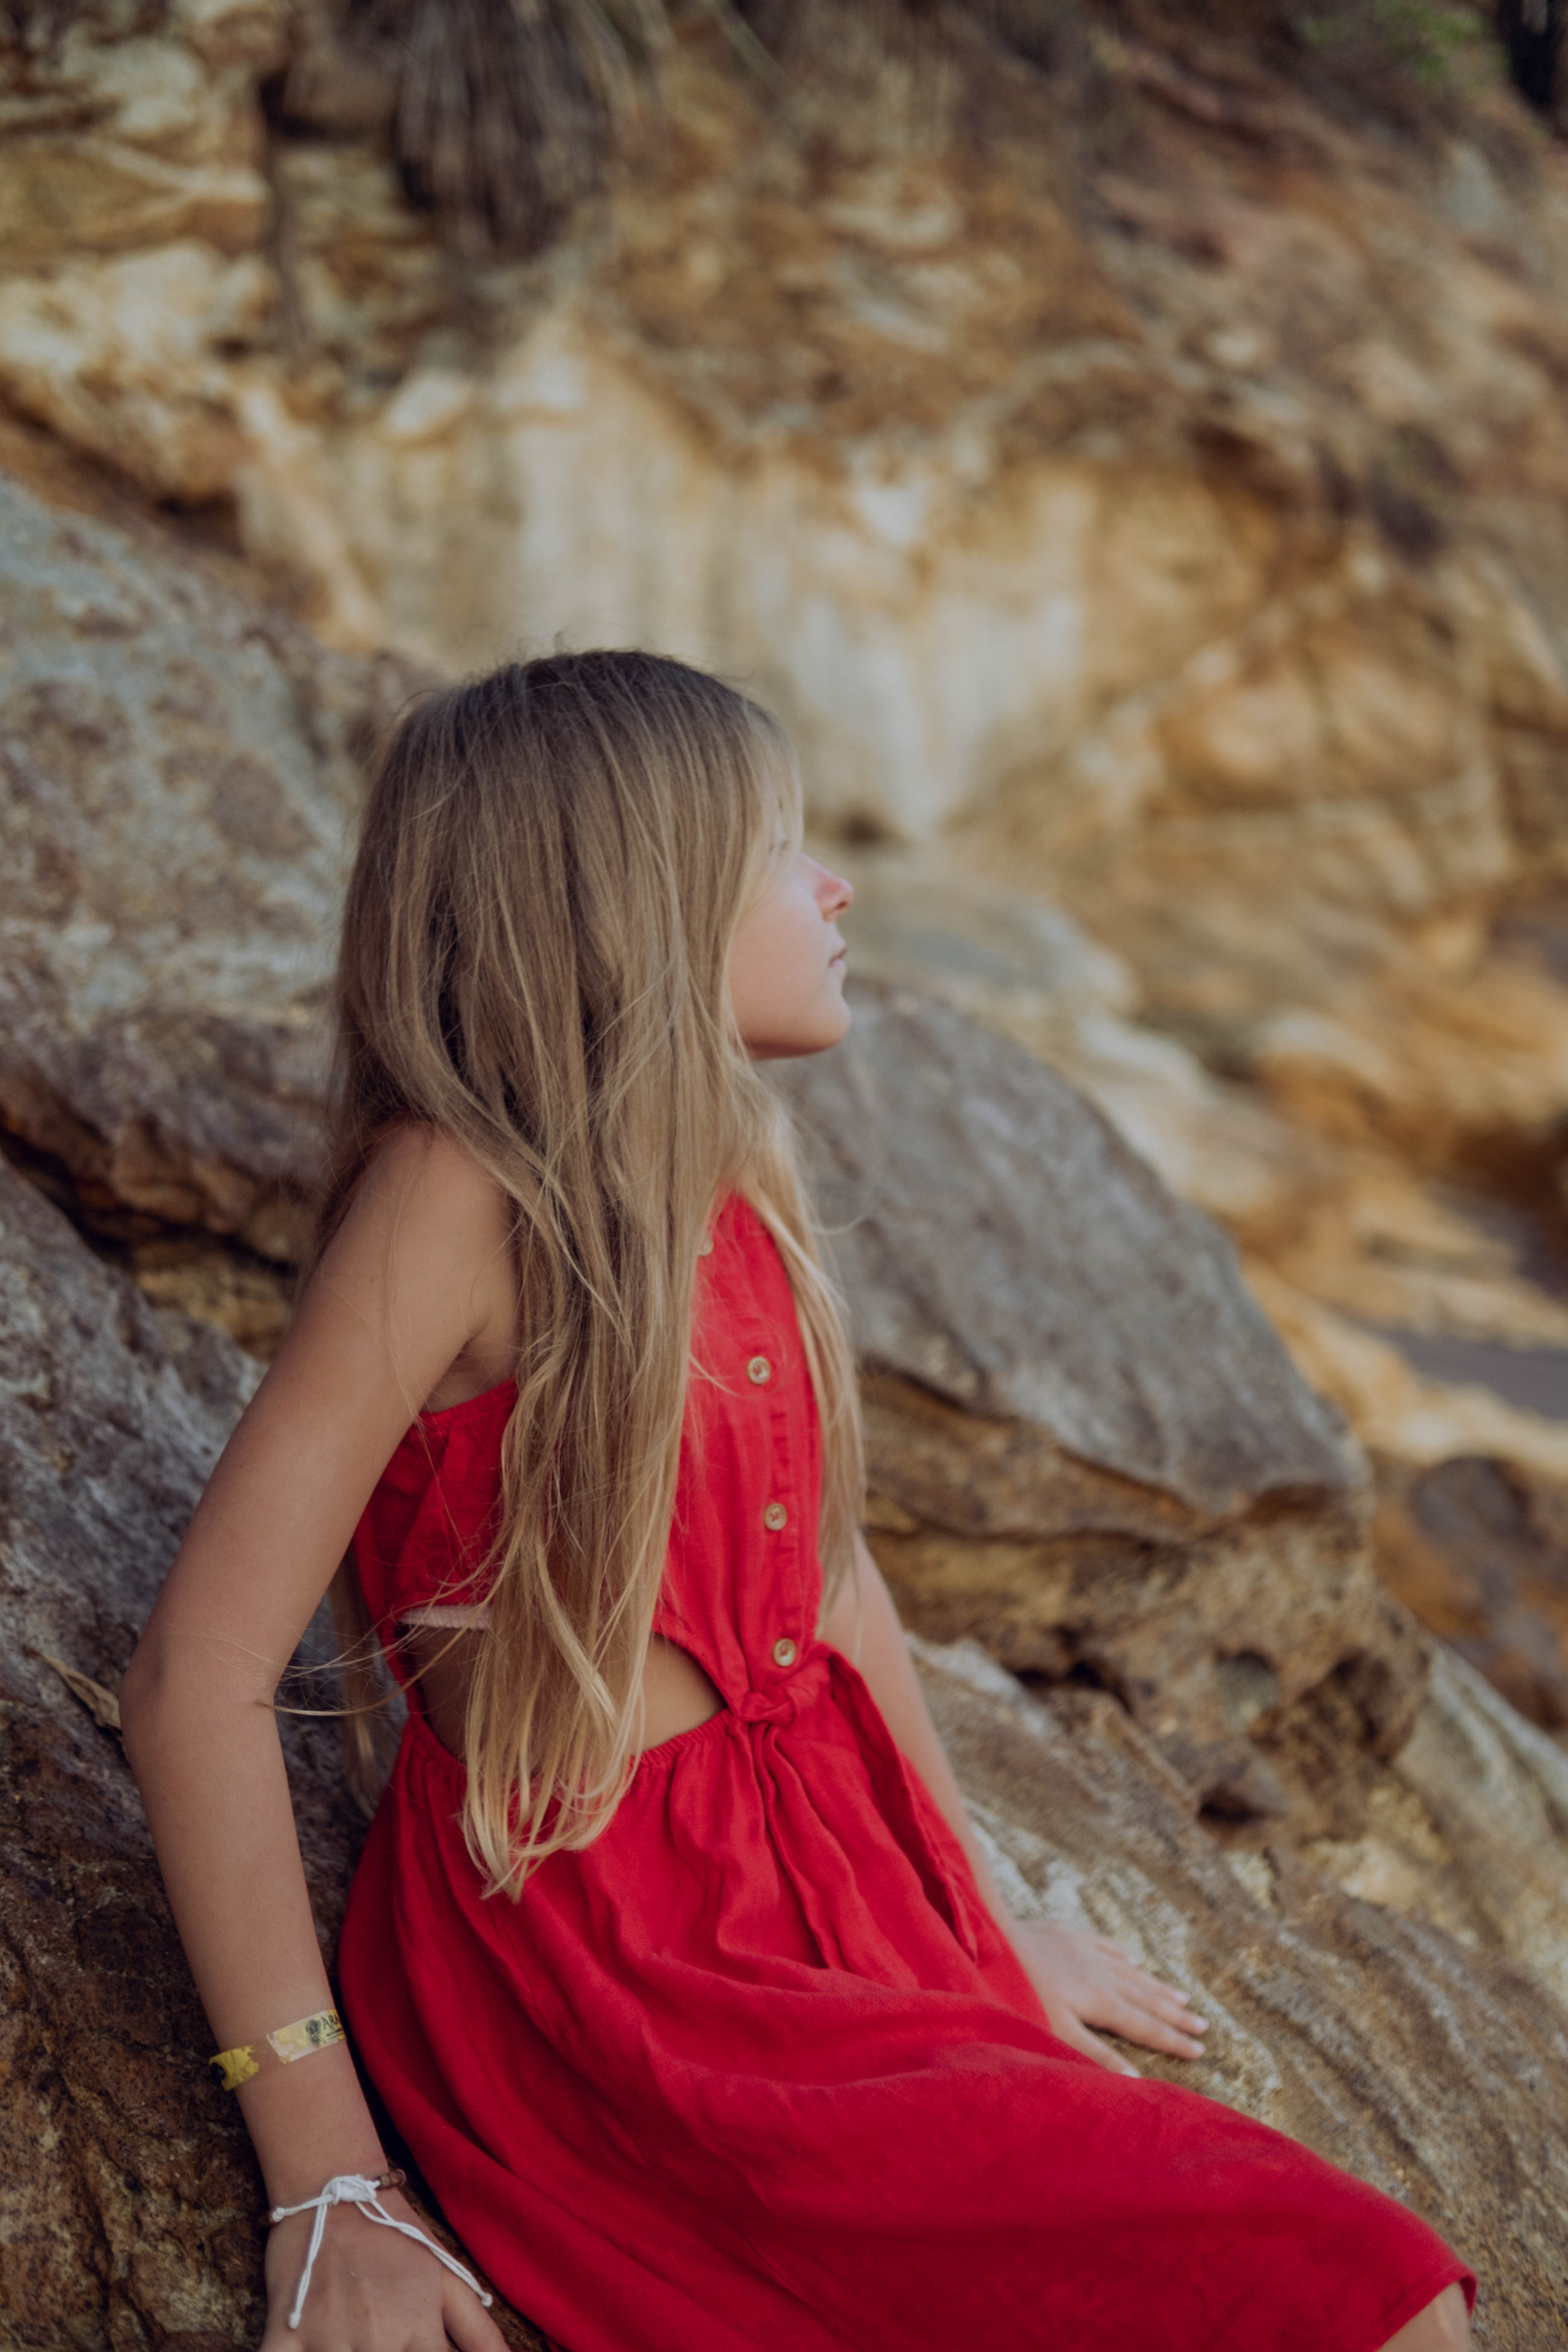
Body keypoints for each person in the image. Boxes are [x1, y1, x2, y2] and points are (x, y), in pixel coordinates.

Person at [123, 651, 1475, 2352]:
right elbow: (198, 1677)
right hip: (650, 1973)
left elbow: (826, 1588)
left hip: (838, 1884)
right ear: (639, 906)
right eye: (780, 850)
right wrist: (327, 2179)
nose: (836, 887)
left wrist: (977, 1923)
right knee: (1374, 2290)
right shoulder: (456, 1198)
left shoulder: (730, 1181)